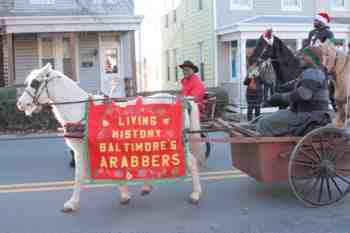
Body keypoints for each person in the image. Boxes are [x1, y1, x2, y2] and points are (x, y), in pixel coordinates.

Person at [256, 46, 331, 136]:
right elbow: (291, 86)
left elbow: (304, 94)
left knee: (264, 123)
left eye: (305, 55)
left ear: (313, 58)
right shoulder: (312, 72)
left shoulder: (313, 72)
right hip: (307, 115)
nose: (301, 57)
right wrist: (278, 93)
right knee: (270, 117)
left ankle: (269, 148)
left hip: (308, 116)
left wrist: (281, 98)